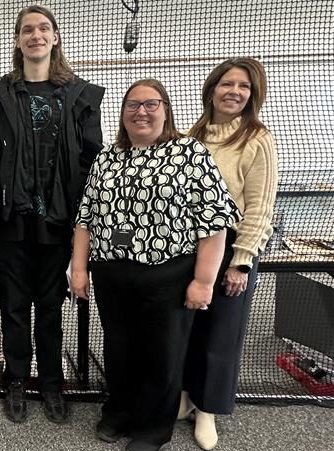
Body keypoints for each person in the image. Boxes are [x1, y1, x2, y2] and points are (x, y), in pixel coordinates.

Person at [71, 79, 240, 451]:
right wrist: (79, 269)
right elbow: (86, 218)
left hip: (168, 276)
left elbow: (214, 224)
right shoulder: (107, 157)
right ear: (123, 114)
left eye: (151, 104)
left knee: (162, 355)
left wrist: (203, 281)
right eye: (133, 105)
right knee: (119, 350)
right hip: (113, 275)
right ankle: (119, 412)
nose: (141, 112)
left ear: (166, 110)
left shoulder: (190, 153)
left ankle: (151, 429)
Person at [0, 4, 104, 424]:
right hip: (13, 220)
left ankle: (50, 383)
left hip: (59, 221)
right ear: (17, 40)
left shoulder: (80, 97)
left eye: (44, 28)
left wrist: (84, 220)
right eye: (27, 29)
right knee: (13, 305)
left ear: (55, 37)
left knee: (49, 306)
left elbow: (91, 160)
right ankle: (15, 379)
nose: (36, 35)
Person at [180, 58, 278, 450]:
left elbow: (260, 207)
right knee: (188, 326)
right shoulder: (195, 134)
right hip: (190, 245)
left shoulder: (257, 139)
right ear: (212, 89)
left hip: (232, 248)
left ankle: (207, 409)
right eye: (227, 84)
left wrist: (242, 261)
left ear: (253, 95)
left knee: (221, 332)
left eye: (243, 86)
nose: (234, 92)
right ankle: (185, 396)